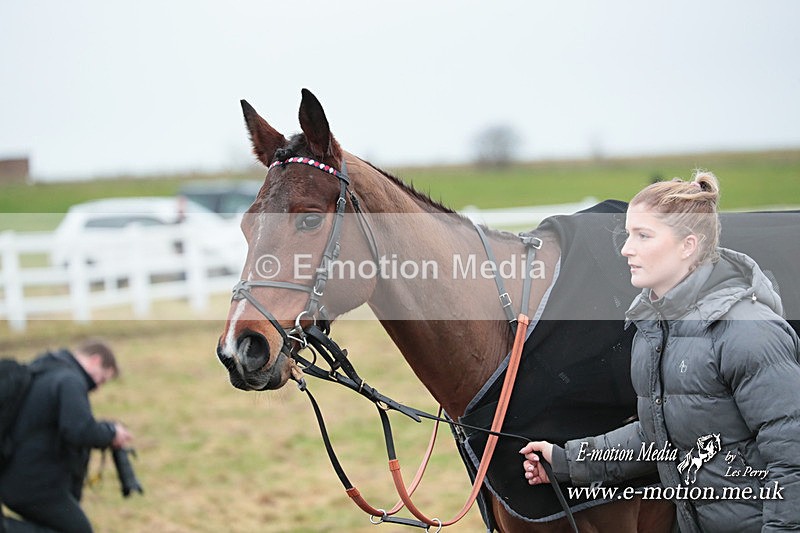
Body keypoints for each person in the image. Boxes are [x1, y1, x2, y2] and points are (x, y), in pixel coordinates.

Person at [520, 171, 800, 532]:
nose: (625, 249)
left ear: (688, 245)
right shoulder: (655, 331)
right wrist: (566, 460)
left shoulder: (749, 331)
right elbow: (657, 437)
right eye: (628, 234)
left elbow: (792, 455)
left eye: (643, 235)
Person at [0, 340, 133, 533]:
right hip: (33, 485)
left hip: (15, 478)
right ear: (95, 360)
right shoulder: (69, 380)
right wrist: (112, 432)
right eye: (102, 378)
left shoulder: (44, 369)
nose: (97, 386)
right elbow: (79, 430)